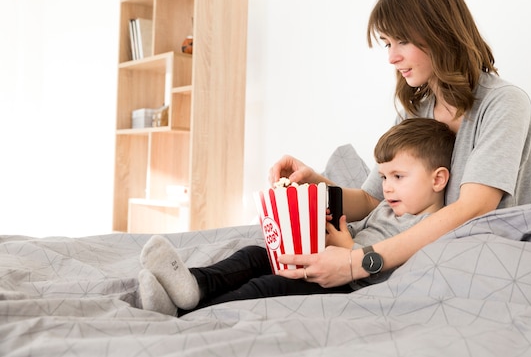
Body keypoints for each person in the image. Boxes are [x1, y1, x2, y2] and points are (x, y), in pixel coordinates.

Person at [270, 0, 531, 288]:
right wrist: (316, 186)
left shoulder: (503, 103)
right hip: (414, 266)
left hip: (474, 268)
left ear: (442, 33)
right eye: (387, 44)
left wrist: (358, 261)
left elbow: (472, 209)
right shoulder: (415, 111)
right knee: (262, 262)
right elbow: (372, 200)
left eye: (403, 41)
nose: (392, 57)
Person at [138, 117, 455, 316]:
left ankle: (190, 315)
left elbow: (388, 277)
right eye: (384, 177)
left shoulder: (434, 227)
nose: (386, 188)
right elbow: (361, 207)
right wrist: (317, 210)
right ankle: (193, 284)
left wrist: (347, 250)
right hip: (327, 257)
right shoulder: (388, 205)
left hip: (345, 284)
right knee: (256, 255)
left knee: (271, 285)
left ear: (438, 179)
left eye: (398, 177)